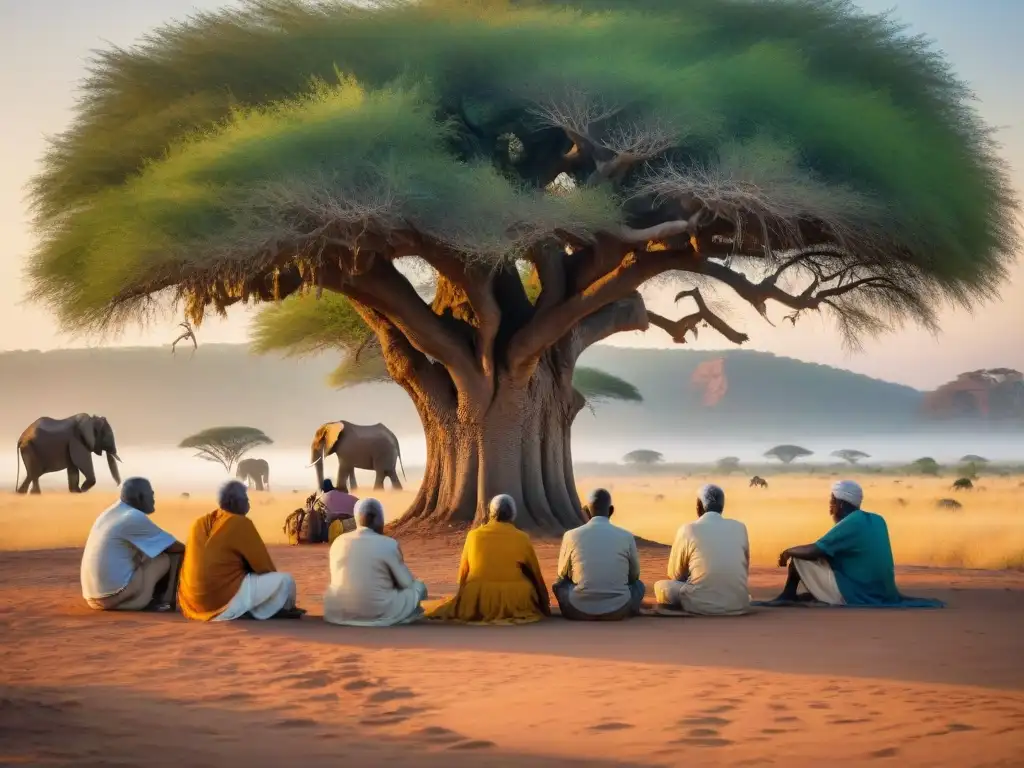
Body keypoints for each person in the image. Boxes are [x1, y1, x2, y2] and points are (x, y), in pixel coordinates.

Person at [177, 480, 303, 621]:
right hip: (222, 601)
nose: (248, 502)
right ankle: (259, 610)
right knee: (286, 581)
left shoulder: (198, 523)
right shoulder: (240, 523)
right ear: (237, 502)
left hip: (193, 602)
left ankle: (246, 608)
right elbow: (263, 567)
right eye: (246, 498)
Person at [427, 495, 550, 624]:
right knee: (527, 584)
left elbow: (464, 572)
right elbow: (536, 574)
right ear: (513, 514)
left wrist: (462, 596)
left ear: (490, 513)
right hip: (514, 599)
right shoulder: (522, 537)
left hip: (478, 598)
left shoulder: (473, 535)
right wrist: (544, 602)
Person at [774, 480, 900, 605]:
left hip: (856, 595)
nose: (830, 505)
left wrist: (788, 552)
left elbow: (814, 551)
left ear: (840, 504)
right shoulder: (878, 519)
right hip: (883, 593)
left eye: (832, 500)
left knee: (799, 558)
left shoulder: (852, 522)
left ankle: (787, 595)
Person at [81, 477, 185, 612]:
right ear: (140, 497)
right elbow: (173, 547)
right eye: (151, 495)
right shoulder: (133, 517)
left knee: (148, 552)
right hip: (113, 598)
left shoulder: (109, 513)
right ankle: (162, 602)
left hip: (92, 599)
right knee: (166, 557)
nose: (153, 500)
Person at [323, 498, 427, 626]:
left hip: (336, 612)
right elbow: (407, 583)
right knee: (419, 587)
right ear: (376, 519)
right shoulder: (389, 544)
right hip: (377, 610)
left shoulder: (338, 542)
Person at [654, 484, 751, 615]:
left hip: (700, 605)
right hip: (739, 604)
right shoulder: (740, 527)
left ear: (698, 506)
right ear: (722, 507)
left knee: (661, 586)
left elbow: (675, 574)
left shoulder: (688, 529)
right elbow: (744, 568)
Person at [552, 489, 644, 620]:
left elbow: (562, 574)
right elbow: (634, 576)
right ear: (611, 510)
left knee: (558, 584)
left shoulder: (571, 535)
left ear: (586, 512)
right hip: (618, 610)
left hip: (578, 610)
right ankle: (630, 608)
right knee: (639, 586)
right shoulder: (626, 536)